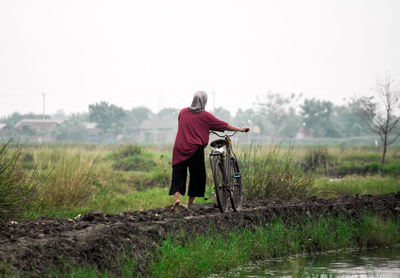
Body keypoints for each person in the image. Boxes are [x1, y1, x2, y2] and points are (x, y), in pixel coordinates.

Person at [169, 91, 249, 211]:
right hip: (195, 150)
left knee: (177, 175)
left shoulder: (183, 112)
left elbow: (186, 124)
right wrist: (240, 129)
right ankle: (189, 206)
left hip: (179, 149)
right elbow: (223, 125)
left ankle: (177, 199)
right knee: (197, 177)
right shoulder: (205, 116)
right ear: (204, 101)